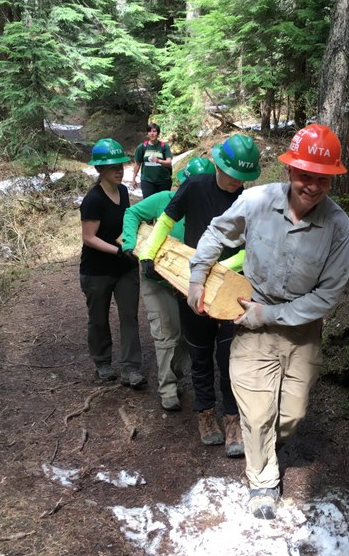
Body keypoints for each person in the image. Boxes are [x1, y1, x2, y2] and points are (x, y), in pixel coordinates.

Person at [186, 124, 349, 519]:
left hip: (301, 330)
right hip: (251, 320)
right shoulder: (256, 201)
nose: (311, 186)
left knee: (291, 415)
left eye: (321, 179)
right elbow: (217, 232)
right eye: (304, 175)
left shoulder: (339, 228)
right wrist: (197, 274)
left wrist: (273, 315)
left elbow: (327, 296)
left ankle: (267, 444)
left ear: (331, 180)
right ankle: (262, 481)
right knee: (257, 412)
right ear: (289, 171)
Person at [139, 134, 262, 458]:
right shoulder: (194, 187)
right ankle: (206, 415)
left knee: (231, 358)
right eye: (233, 175)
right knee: (200, 353)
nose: (237, 182)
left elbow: (250, 248)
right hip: (191, 285)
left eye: (243, 178)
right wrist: (148, 255)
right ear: (220, 164)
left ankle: (232, 419)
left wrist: (218, 268)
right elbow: (166, 220)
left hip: (232, 288)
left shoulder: (245, 201)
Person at [120, 157, 216, 411]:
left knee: (185, 334)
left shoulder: (210, 208)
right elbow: (132, 213)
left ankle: (176, 376)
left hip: (186, 283)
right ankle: (168, 389)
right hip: (157, 280)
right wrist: (131, 244)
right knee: (166, 333)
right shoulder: (164, 199)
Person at [79, 138, 147, 389]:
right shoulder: (93, 200)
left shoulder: (123, 191)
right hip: (97, 270)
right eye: (112, 167)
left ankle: (131, 368)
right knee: (98, 318)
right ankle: (102, 362)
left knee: (129, 316)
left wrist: (135, 241)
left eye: (121, 165)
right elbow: (89, 238)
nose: (119, 170)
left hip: (125, 267)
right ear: (99, 170)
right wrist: (117, 251)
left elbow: (126, 223)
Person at [131, 123, 173, 199]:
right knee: (148, 204)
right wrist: (133, 179)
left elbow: (169, 162)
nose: (152, 133)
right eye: (150, 131)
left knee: (163, 204)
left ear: (158, 133)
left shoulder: (164, 146)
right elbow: (137, 164)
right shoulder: (142, 147)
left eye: (154, 131)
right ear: (147, 134)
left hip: (163, 181)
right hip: (147, 181)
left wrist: (158, 161)